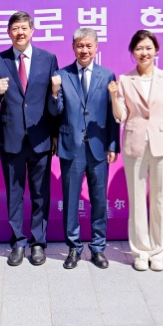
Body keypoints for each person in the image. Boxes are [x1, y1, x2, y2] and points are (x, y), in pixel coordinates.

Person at [0, 11, 60, 267]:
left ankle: (38, 243)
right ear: (9, 32)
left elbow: (54, 100)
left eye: (24, 28)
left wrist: (54, 134)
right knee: (14, 194)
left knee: (41, 194)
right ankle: (17, 242)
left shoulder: (48, 59)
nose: (20, 32)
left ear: (32, 31)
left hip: (40, 138)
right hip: (11, 138)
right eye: (15, 28)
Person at [111, 29, 163, 272]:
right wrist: (114, 97)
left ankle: (158, 251)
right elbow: (121, 116)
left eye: (148, 48)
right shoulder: (125, 80)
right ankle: (140, 252)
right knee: (136, 201)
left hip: (162, 144)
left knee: (159, 199)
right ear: (132, 52)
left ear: (156, 51)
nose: (144, 52)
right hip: (134, 144)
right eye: (139, 48)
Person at [48, 27, 120, 270]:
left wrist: (113, 144)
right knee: (71, 201)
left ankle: (98, 248)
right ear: (73, 47)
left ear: (96, 48)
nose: (84, 50)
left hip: (98, 147)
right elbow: (54, 112)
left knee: (99, 200)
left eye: (89, 46)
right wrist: (54, 91)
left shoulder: (107, 76)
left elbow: (112, 114)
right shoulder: (61, 75)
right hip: (72, 147)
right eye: (80, 46)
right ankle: (74, 248)